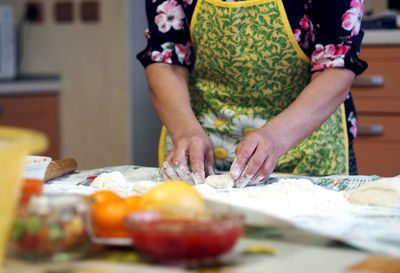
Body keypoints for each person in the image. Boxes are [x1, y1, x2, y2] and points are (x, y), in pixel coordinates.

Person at [137, 0, 367, 188]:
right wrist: (185, 130)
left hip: (305, 145)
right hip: (200, 143)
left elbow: (336, 67)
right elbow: (165, 60)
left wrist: (275, 137)